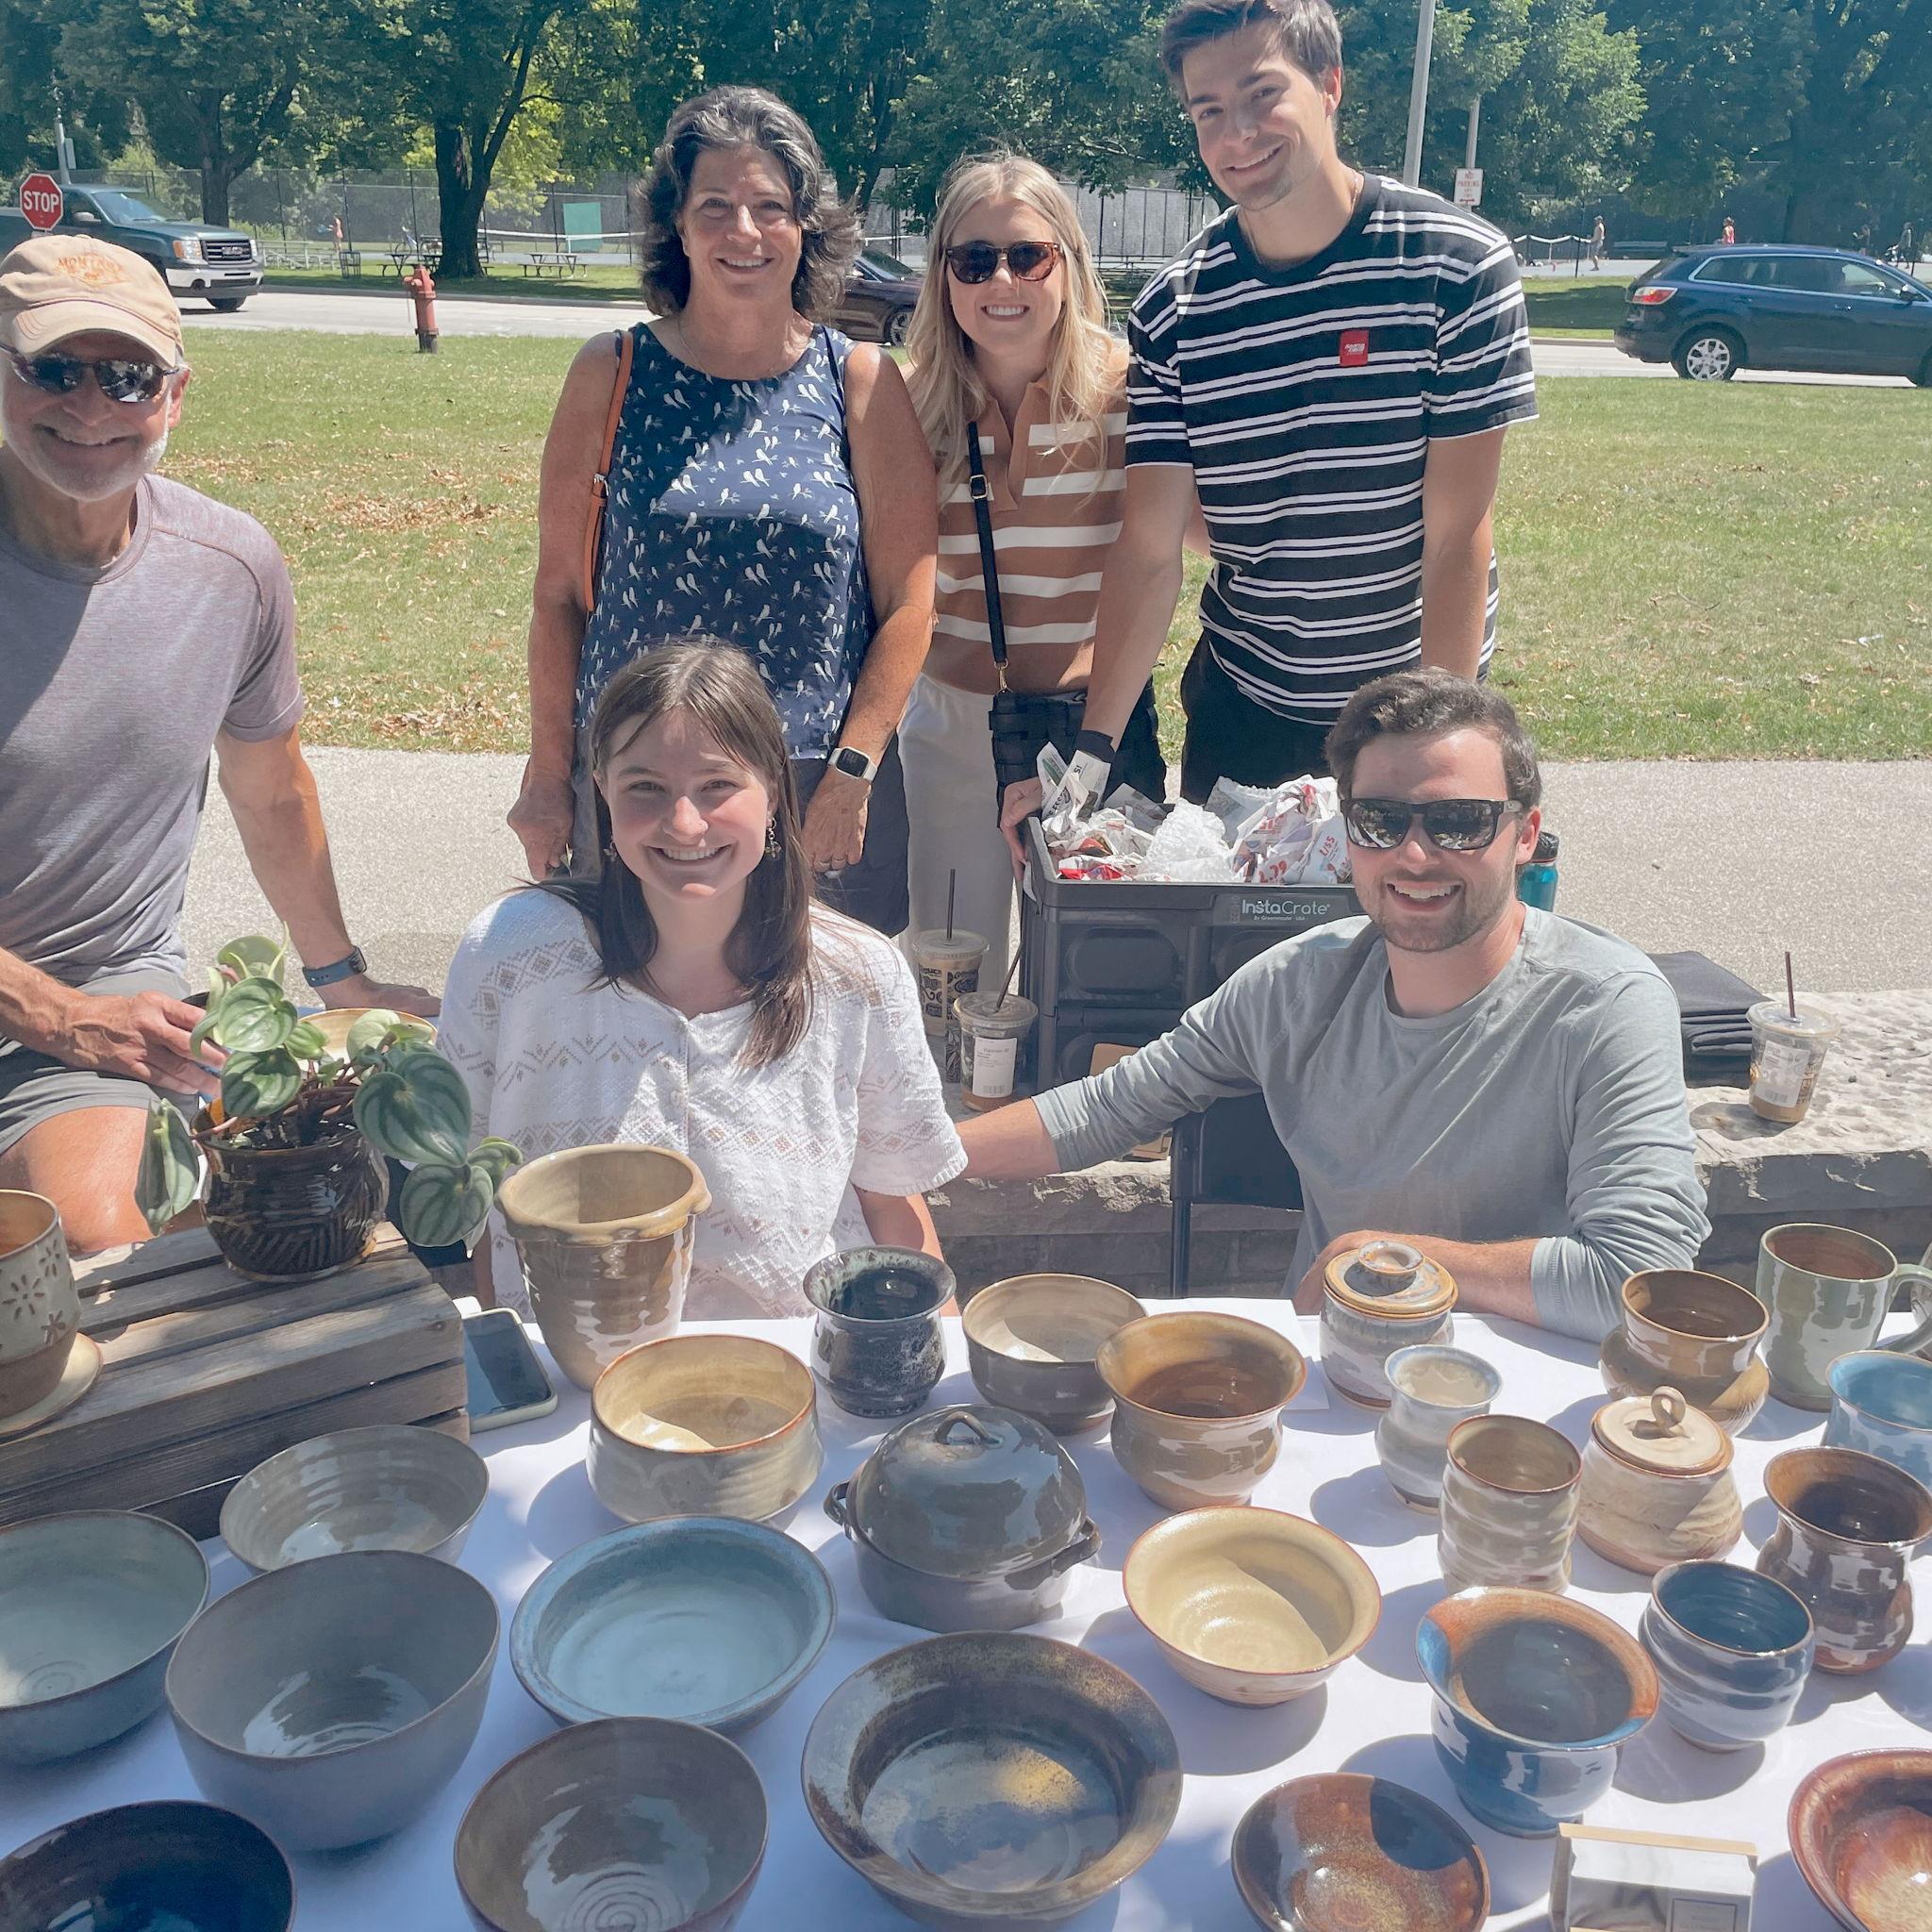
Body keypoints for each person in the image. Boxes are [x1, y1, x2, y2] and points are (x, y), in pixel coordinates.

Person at [957, 670, 1708, 1342]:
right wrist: (918, 1155)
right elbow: (1108, 1109)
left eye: (1459, 822)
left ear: (1525, 836)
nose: (1415, 856)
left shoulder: (1610, 1007)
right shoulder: (1296, 982)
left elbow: (1643, 1283)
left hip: (1524, 1415)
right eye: (1380, 822)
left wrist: (1392, 1261)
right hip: (1334, 1384)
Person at [0, 236, 434, 1253]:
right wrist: (57, 1013)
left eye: (129, 377)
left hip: (101, 1016)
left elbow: (270, 788)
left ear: (176, 395)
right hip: (63, 1020)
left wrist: (344, 983)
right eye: (56, 369)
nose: (92, 407)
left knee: (142, 1244)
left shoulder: (228, 567)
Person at [1049, 0, 1537, 815]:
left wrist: (1443, 738)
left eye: (1261, 93)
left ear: (1330, 85)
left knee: (1413, 939)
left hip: (1412, 705)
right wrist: (1093, 753)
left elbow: (1457, 534)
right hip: (1247, 705)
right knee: (1240, 944)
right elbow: (1148, 548)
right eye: (1208, 111)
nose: (1236, 132)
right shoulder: (1175, 310)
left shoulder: (1458, 267)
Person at [508, 85, 936, 939]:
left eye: (770, 207)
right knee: (633, 1027)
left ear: (806, 225)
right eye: (717, 206)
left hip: (812, 788)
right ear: (677, 224)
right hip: (640, 786)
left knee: (811, 1037)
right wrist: (548, 775)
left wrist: (855, 768)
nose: (744, 231)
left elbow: (911, 601)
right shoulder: (613, 370)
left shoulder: (857, 383)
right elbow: (559, 595)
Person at [445, 641, 965, 1322]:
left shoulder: (856, 975)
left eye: (718, 785)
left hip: (795, 1373)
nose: (685, 823)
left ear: (774, 791)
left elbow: (891, 1201)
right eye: (645, 788)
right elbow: (476, 1189)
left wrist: (943, 1374)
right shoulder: (510, 957)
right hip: (573, 1376)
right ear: (599, 788)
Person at [900, 152, 1171, 987]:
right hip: (951, 727)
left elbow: (1184, 545)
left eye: (1028, 255)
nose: (1001, 280)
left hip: (1093, 731)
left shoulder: (1131, 392)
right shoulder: (909, 404)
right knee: (951, 980)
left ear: (1070, 262)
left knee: (1095, 986)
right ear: (945, 275)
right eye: (973, 260)